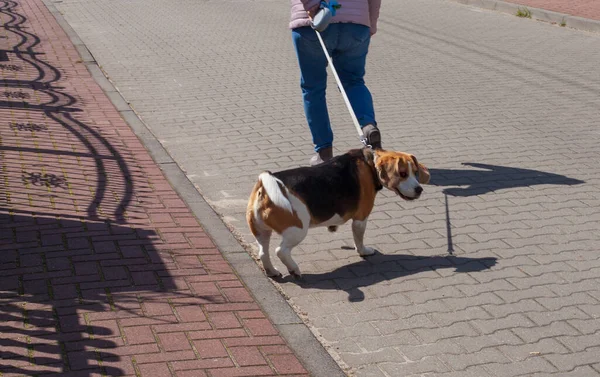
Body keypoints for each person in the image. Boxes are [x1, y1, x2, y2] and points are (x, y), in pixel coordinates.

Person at [290, 0, 382, 165]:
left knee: (313, 88)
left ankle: (324, 153)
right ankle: (368, 126)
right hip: (357, 24)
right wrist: (371, 22)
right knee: (353, 81)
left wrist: (312, 5)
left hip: (314, 22)